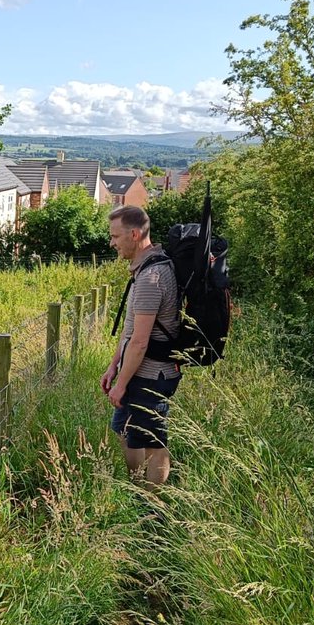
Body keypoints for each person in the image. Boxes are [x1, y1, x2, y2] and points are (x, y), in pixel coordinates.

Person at [101, 205, 180, 490]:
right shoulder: (145, 269)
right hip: (136, 371)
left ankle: (153, 510)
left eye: (115, 236)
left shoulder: (151, 278)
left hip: (153, 375)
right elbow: (129, 329)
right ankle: (136, 489)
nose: (112, 243)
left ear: (134, 234)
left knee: (152, 443)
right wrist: (114, 367)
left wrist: (121, 384)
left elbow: (140, 340)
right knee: (124, 430)